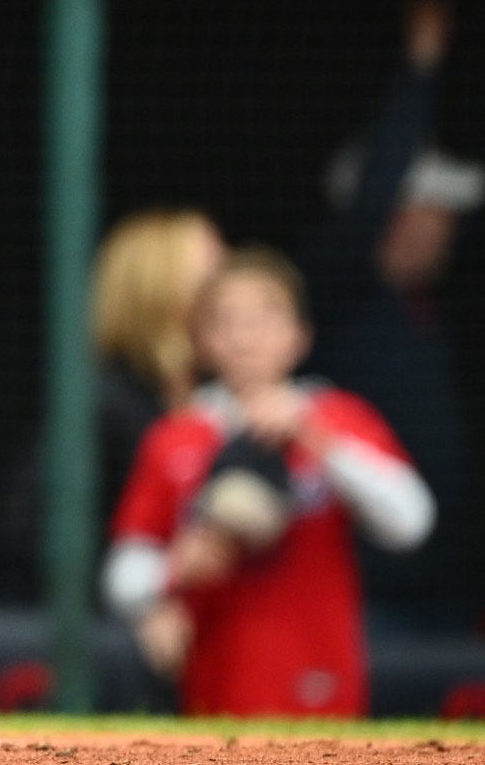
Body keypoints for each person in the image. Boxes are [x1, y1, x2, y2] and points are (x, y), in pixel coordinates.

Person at [105, 250, 432, 718]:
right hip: (210, 684)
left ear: (299, 336)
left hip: (319, 682)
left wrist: (315, 437)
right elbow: (122, 574)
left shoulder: (337, 417)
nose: (244, 338)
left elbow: (411, 523)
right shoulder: (177, 435)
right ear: (202, 340)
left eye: (263, 319)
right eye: (226, 322)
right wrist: (172, 573)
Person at [306, 0, 477, 632]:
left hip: (442, 584)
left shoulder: (433, 307)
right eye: (430, 213)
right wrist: (421, 66)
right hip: (366, 588)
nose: (445, 231)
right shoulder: (343, 286)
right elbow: (373, 195)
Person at [0, 208, 228, 590]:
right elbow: (27, 534)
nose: (230, 298)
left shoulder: (216, 403)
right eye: (211, 282)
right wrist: (147, 587)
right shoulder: (106, 401)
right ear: (159, 291)